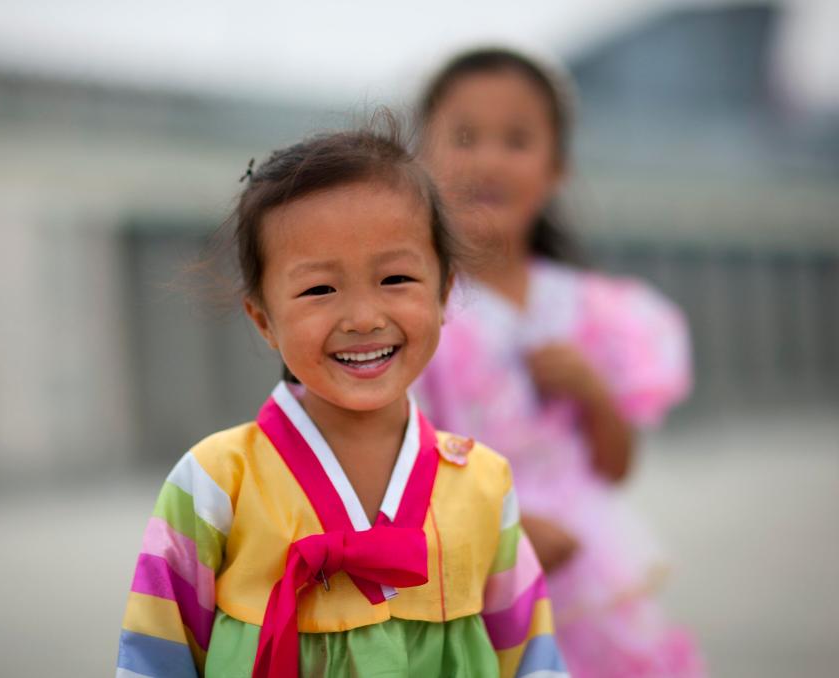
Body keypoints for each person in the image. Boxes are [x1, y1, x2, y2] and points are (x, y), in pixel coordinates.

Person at [115, 119, 568, 677]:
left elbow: (531, 660)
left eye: (397, 278)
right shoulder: (214, 480)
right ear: (263, 319)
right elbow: (155, 656)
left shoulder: (483, 482)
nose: (363, 318)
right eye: (319, 289)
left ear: (446, 290)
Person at [414, 48, 705, 677]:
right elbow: (394, 454)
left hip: (589, 581)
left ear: (557, 168)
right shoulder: (414, 307)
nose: (489, 159)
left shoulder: (591, 309)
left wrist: (595, 392)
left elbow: (616, 466)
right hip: (472, 578)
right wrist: (500, 527)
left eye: (516, 139)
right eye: (465, 136)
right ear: (422, 159)